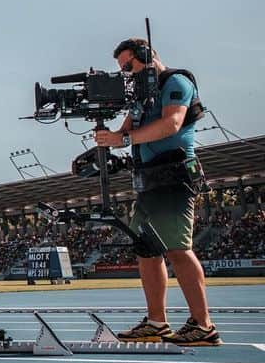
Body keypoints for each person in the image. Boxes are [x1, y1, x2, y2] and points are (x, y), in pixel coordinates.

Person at [94, 38, 220, 346]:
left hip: (174, 176)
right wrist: (108, 139)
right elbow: (125, 131)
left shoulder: (175, 82)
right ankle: (156, 322)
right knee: (146, 250)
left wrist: (122, 140)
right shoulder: (139, 94)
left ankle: (203, 325)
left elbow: (171, 124)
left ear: (147, 56)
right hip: (148, 181)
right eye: (122, 70)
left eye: (128, 66)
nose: (126, 73)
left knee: (177, 249)